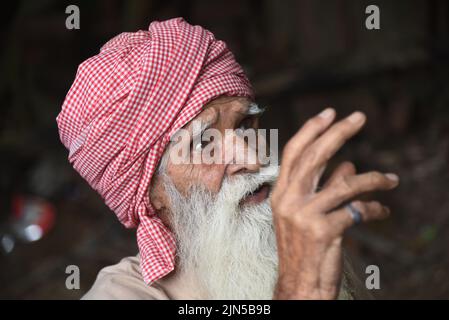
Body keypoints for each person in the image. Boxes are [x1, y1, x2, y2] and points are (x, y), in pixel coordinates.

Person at [56, 18, 399, 300]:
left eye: (246, 124)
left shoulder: (292, 239)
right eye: (204, 144)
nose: (250, 157)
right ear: (152, 194)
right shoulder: (120, 295)